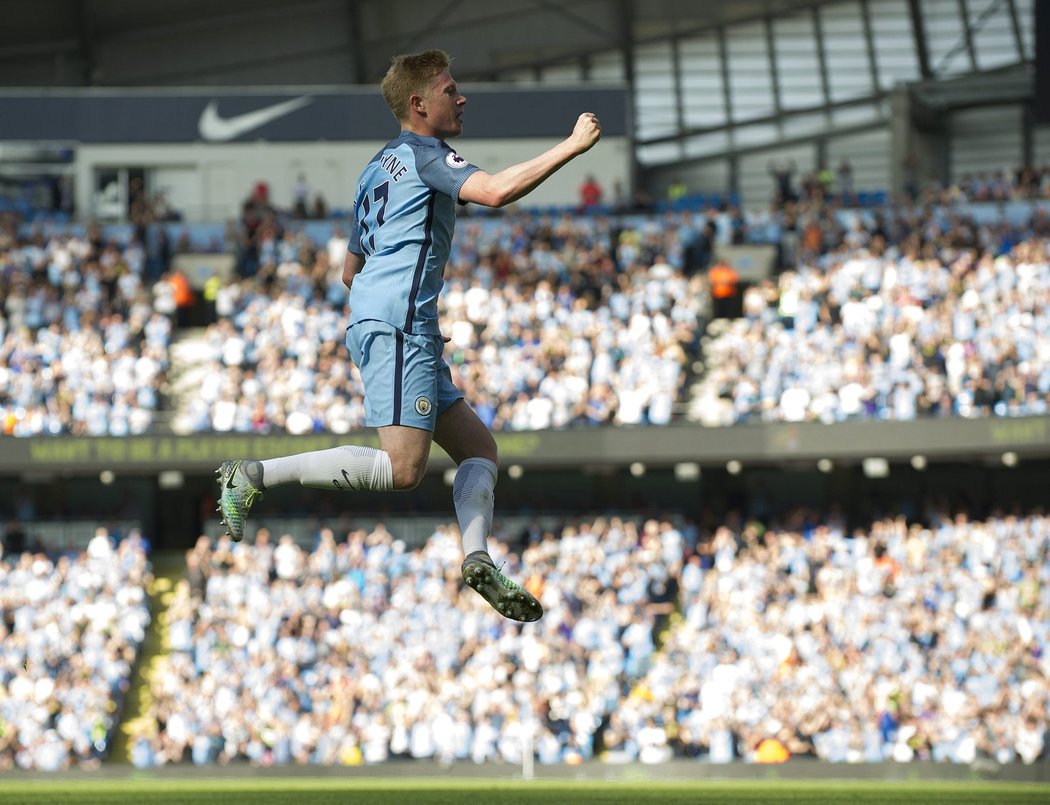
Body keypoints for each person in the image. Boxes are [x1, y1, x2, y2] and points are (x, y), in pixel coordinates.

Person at [217, 49, 601, 622]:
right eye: (450, 90)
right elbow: (494, 192)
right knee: (402, 469)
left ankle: (477, 560)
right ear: (419, 105)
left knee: (479, 449)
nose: (461, 97)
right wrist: (571, 146)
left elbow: (350, 269)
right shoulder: (428, 156)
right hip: (400, 323)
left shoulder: (376, 168)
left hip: (396, 321)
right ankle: (251, 476)